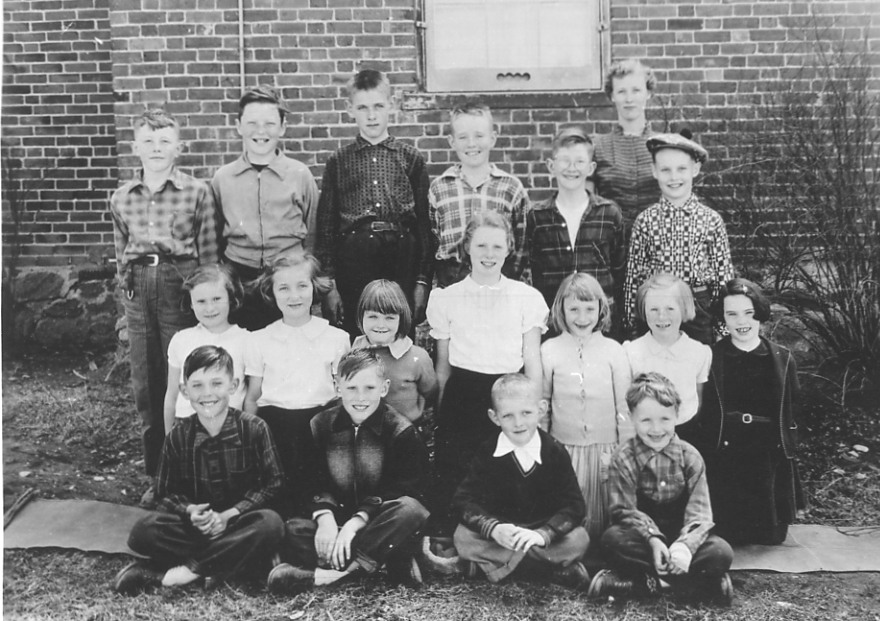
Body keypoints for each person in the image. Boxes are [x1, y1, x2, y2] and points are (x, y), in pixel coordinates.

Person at [109, 108, 218, 506]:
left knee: (185, 376)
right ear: (135, 147)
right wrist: (126, 300)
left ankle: (190, 471)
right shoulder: (121, 197)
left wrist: (205, 298)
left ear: (179, 148)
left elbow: (209, 255)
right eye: (148, 141)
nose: (156, 148)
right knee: (147, 383)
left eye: (165, 141)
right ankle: (157, 476)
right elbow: (121, 255)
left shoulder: (196, 191)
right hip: (139, 287)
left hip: (179, 284)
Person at [114, 345, 285, 595]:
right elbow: (164, 493)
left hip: (239, 522)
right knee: (143, 531)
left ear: (233, 386)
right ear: (185, 391)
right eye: (197, 385)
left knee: (271, 524)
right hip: (197, 529)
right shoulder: (178, 436)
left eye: (217, 383)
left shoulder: (255, 428)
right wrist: (191, 511)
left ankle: (185, 572)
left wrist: (228, 516)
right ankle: (234, 562)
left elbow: (274, 484)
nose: (207, 394)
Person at [268, 349, 430, 594]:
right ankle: (382, 561)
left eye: (369, 388)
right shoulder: (319, 425)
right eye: (352, 388)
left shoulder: (400, 430)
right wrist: (325, 517)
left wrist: (358, 521)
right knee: (293, 529)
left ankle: (334, 575)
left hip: (375, 522)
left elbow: (405, 488)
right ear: (337, 387)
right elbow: (308, 480)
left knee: (410, 510)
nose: (360, 397)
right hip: (336, 523)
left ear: (384, 388)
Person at [426, 211, 548, 533]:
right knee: (458, 472)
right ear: (467, 247)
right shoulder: (447, 298)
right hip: (462, 398)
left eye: (497, 246)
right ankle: (453, 537)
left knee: (505, 471)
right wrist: (442, 412)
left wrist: (532, 409)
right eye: (481, 245)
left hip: (508, 395)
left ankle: (505, 535)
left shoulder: (526, 297)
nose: (489, 254)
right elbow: (443, 366)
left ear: (509, 249)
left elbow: (532, 361)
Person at [589, 372, 734, 606]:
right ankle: (695, 585)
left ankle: (641, 583)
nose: (656, 429)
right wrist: (653, 540)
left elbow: (700, 513)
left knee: (720, 551)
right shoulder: (623, 457)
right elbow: (624, 510)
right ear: (631, 418)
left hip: (681, 536)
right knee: (612, 540)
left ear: (677, 415)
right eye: (646, 420)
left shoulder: (690, 457)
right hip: (642, 538)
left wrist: (685, 547)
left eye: (664, 419)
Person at [679, 278, 804, 545]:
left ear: (760, 313)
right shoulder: (712, 358)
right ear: (723, 318)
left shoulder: (781, 358)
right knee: (729, 535)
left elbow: (791, 408)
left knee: (769, 537)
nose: (741, 321)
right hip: (727, 457)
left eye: (749, 313)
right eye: (732, 314)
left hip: (766, 457)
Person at [315, 69, 432, 337]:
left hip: (401, 255)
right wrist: (329, 287)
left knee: (399, 330)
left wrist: (422, 281)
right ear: (350, 109)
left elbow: (424, 227)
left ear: (391, 105)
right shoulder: (339, 161)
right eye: (362, 108)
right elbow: (326, 228)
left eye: (378, 106)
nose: (371, 115)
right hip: (355, 258)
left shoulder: (411, 158)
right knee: (358, 330)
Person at [452, 374, 590, 590]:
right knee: (463, 537)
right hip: (502, 533)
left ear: (541, 410)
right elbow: (463, 500)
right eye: (508, 416)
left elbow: (575, 506)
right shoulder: (487, 451)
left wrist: (543, 534)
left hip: (540, 530)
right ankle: (549, 569)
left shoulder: (554, 451)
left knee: (579, 539)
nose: (518, 423)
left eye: (526, 413)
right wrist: (494, 529)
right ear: (494, 417)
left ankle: (492, 566)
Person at [243, 254, 350, 516]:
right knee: (278, 498)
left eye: (302, 286)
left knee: (321, 494)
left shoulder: (336, 337)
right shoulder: (259, 340)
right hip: (274, 427)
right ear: (270, 292)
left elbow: (341, 395)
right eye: (284, 288)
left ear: (315, 286)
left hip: (320, 426)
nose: (294, 296)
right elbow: (253, 396)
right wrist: (247, 438)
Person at [211, 85, 320, 331]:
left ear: (282, 127)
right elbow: (215, 236)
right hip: (239, 280)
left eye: (270, 123)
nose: (261, 131)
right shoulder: (223, 178)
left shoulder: (300, 175)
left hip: (288, 280)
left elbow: (313, 234)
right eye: (252, 123)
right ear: (238, 126)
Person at [540, 273, 633, 540]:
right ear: (561, 309)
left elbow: (624, 406)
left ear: (601, 309)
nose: (582, 317)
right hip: (564, 449)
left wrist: (623, 451)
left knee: (605, 514)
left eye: (590, 309)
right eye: (574, 309)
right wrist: (544, 448)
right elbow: (542, 405)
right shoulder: (549, 350)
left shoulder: (614, 350)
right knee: (568, 510)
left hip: (605, 449)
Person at [623, 131, 734, 344]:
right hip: (658, 306)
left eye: (681, 169)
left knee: (698, 360)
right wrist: (630, 321)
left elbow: (723, 275)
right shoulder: (645, 220)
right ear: (654, 171)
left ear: (695, 169)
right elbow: (634, 275)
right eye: (665, 170)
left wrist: (723, 325)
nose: (674, 177)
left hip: (698, 305)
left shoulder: (711, 219)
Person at [526, 126, 626, 324]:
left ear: (591, 168)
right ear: (551, 166)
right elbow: (532, 274)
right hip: (554, 323)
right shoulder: (537, 217)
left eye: (580, 161)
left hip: (599, 324)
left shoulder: (609, 213)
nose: (572, 168)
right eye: (565, 160)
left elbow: (620, 273)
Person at [429, 100, 530, 288]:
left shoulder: (511, 188)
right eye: (463, 137)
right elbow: (431, 246)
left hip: (499, 285)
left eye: (479, 136)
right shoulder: (439, 189)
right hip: (452, 286)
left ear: (492, 138)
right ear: (452, 141)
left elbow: (523, 250)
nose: (471, 144)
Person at [163, 264, 248, 434]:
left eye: (216, 299)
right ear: (191, 303)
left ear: (230, 298)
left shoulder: (246, 340)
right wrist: (169, 438)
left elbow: (251, 397)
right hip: (187, 428)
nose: (210, 308)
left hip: (230, 428)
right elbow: (171, 395)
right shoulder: (181, 340)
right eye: (201, 301)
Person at [623, 274, 711, 428]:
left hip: (686, 430)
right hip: (645, 431)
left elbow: (698, 399)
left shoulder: (699, 352)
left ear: (683, 309)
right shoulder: (630, 352)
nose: (662, 317)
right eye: (654, 309)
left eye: (670, 309)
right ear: (643, 310)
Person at [351, 279, 438, 425]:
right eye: (373, 316)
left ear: (401, 320)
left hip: (406, 430)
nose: (380, 325)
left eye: (389, 318)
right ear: (361, 317)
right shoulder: (353, 352)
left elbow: (430, 391)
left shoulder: (417, 357)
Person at [590, 59, 661, 235]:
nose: (629, 99)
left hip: (660, 241)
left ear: (648, 93)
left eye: (636, 90)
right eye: (621, 91)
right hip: (611, 242)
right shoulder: (596, 147)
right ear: (612, 96)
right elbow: (586, 206)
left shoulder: (664, 145)